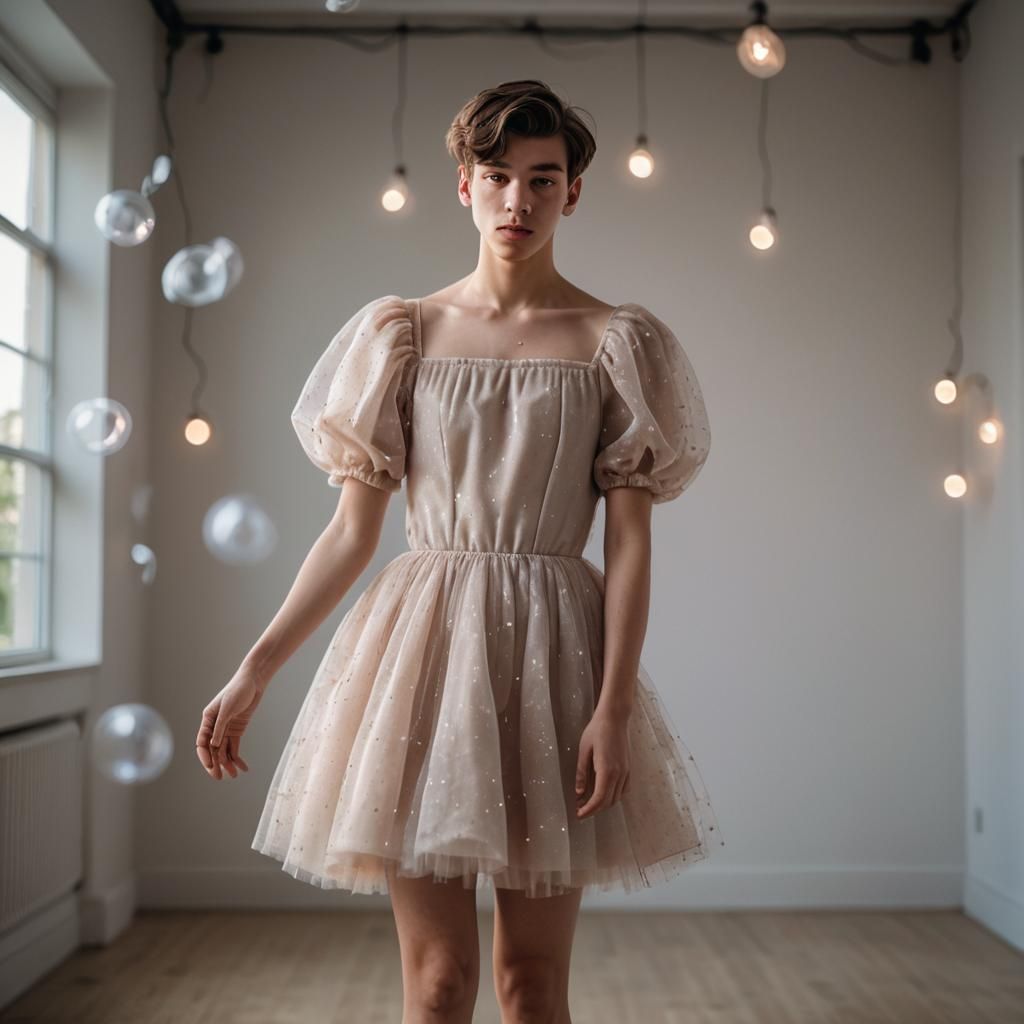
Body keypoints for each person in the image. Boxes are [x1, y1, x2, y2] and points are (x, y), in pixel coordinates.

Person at [196, 78, 723, 1024]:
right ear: (464, 187)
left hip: (558, 660)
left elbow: (632, 545)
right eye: (497, 176)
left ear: (574, 193)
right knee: (436, 987)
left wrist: (611, 706)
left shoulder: (615, 343)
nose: (518, 201)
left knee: (530, 987)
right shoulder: (403, 333)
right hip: (423, 658)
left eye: (542, 178)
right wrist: (253, 671)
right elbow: (353, 532)